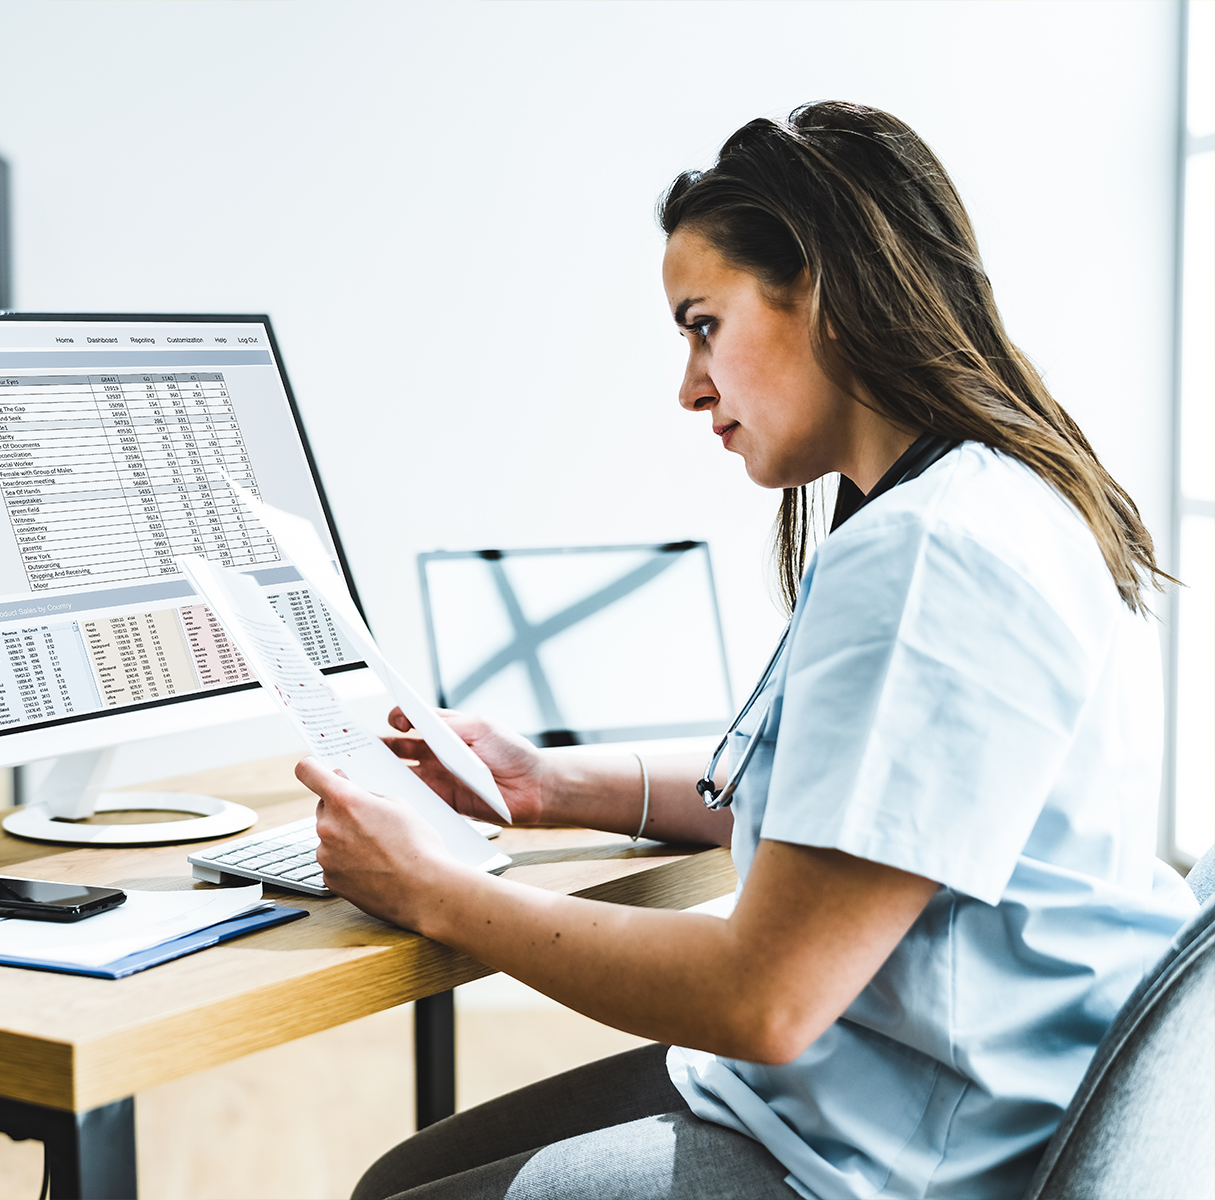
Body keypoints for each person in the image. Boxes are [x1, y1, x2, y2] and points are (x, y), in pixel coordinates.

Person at [299, 101, 1200, 1200]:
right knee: (408, 1172)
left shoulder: (931, 555)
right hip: (944, 1088)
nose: (688, 385)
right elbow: (857, 812)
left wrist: (434, 888)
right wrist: (551, 783)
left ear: (818, 289)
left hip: (916, 1156)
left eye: (701, 324)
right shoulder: (990, 500)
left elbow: (766, 997)